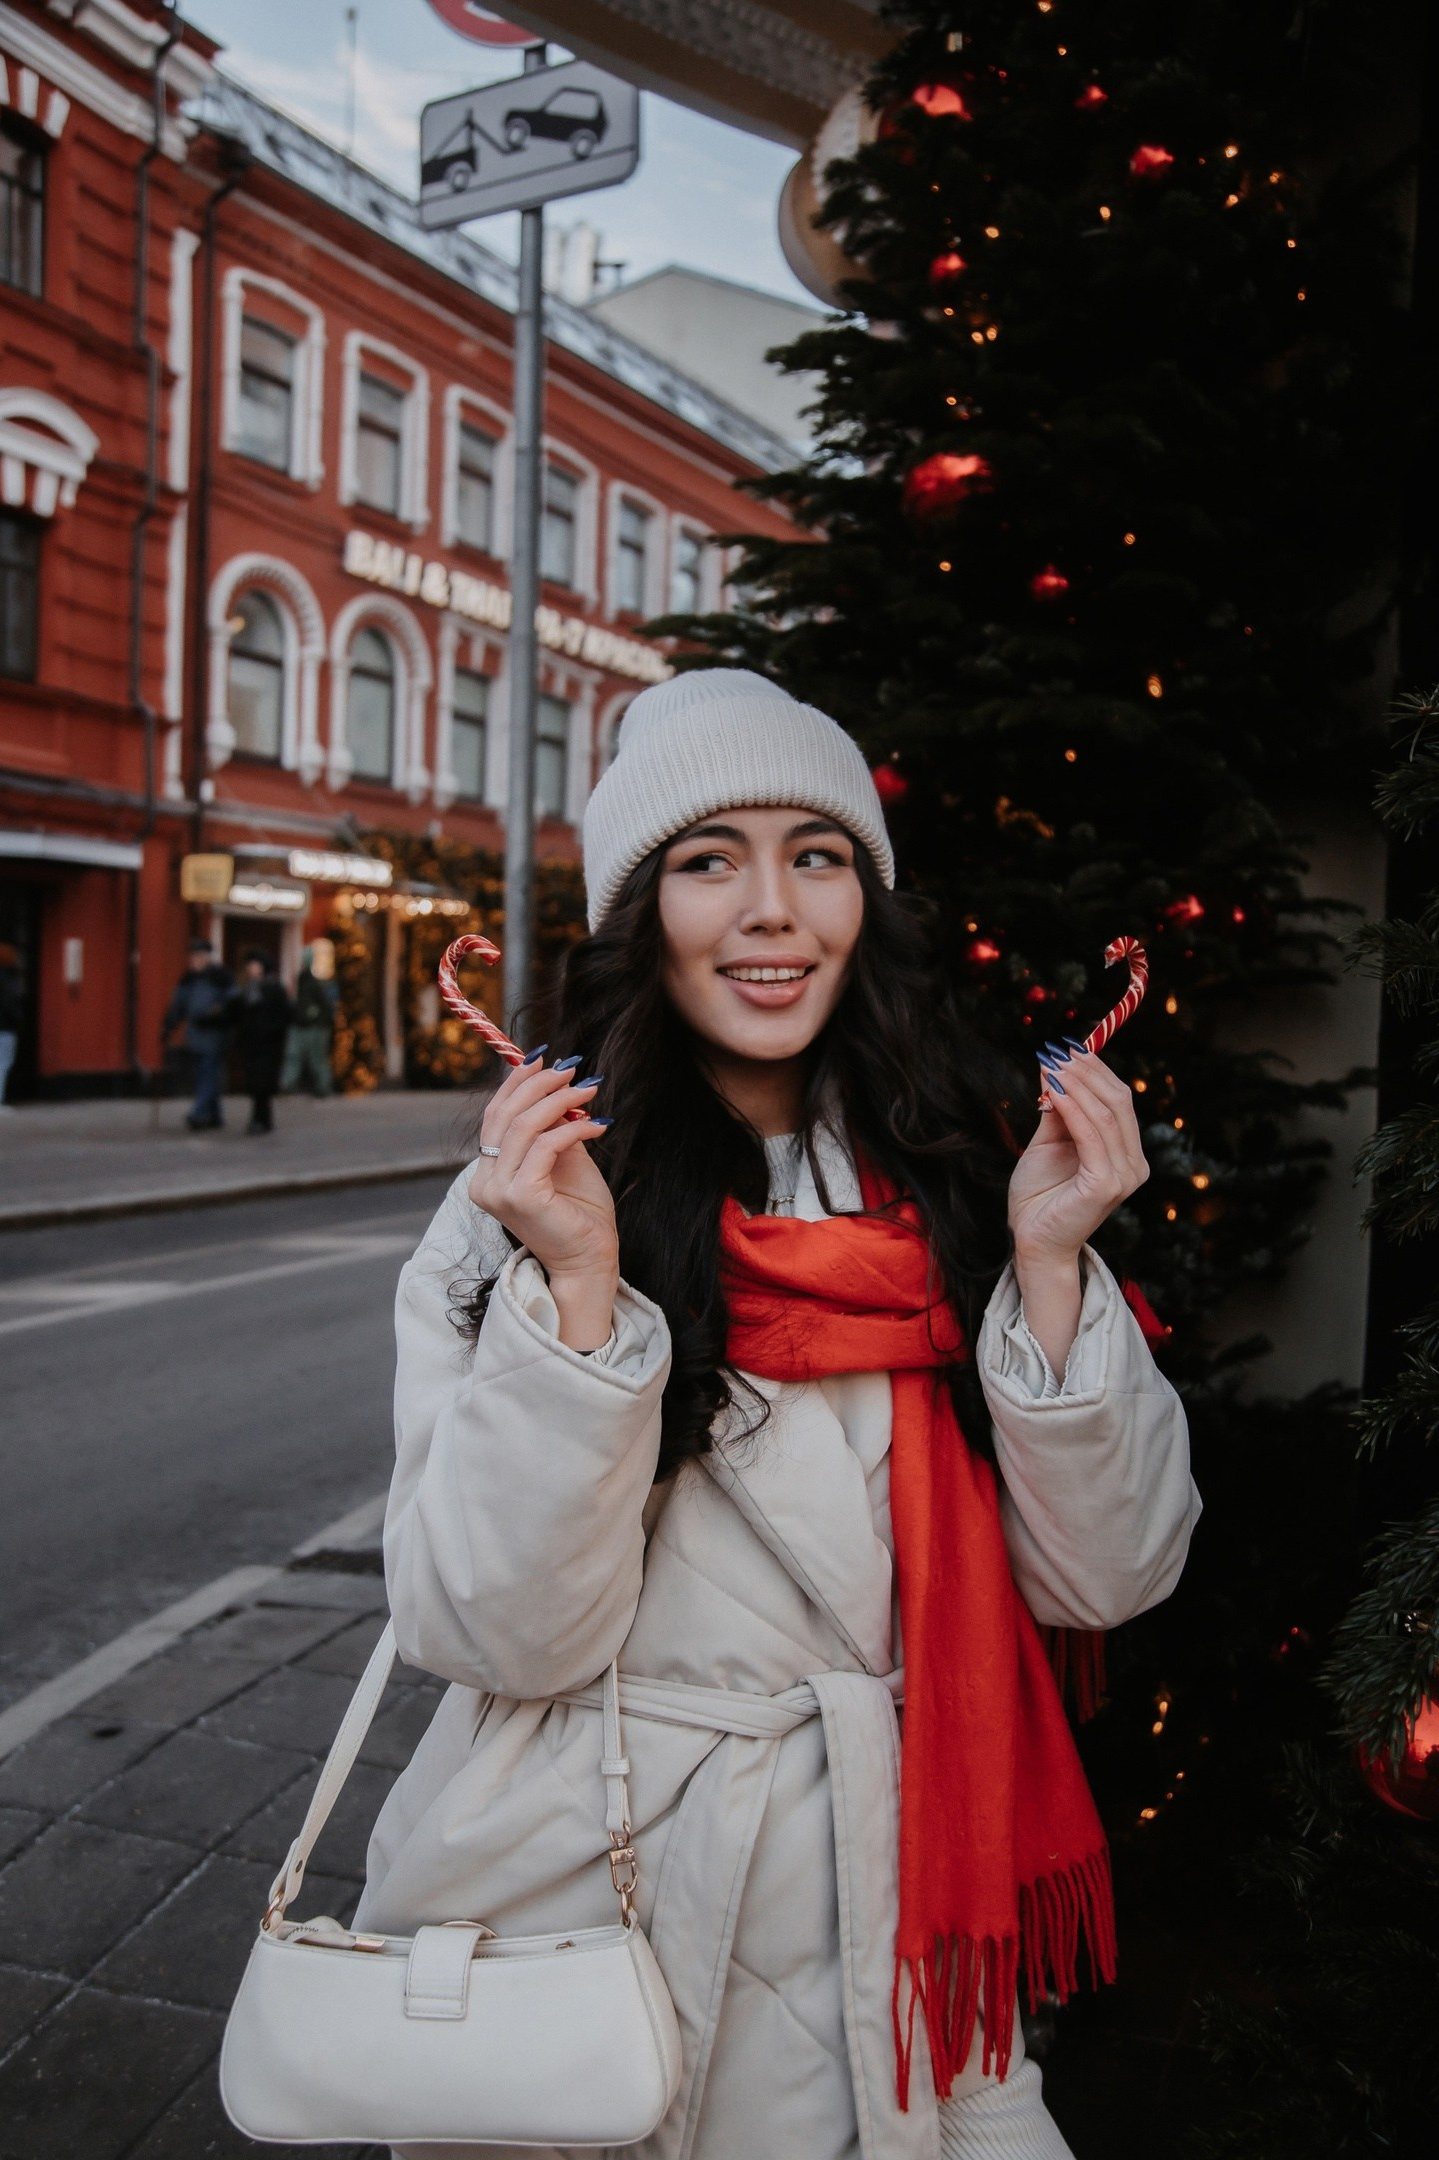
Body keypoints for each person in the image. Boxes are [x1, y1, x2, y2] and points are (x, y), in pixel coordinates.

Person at [358, 671, 1200, 2160]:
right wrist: (579, 1296)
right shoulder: (525, 1207)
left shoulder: (960, 1183)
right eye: (707, 861)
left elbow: (1108, 1580)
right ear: (640, 914)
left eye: (815, 856)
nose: (770, 911)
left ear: (863, 901)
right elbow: (493, 1633)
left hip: (907, 1946)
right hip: (597, 1921)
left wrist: (1050, 1262)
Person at [163, 939, 234, 1130]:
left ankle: (199, 1113)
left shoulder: (221, 977)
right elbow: (178, 1005)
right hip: (195, 1035)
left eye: (200, 956)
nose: (196, 960)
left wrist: (217, 1015)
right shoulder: (188, 979)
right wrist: (168, 1026)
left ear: (208, 957)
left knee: (207, 1073)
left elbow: (232, 1003)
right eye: (194, 956)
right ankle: (215, 1116)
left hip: (215, 1034)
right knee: (205, 1074)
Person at [231, 949, 292, 1134]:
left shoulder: (273, 987)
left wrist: (272, 1030)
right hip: (252, 1043)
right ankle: (259, 1119)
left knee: (262, 1083)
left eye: (254, 965)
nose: (251, 968)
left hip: (268, 1044)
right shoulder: (248, 988)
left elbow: (285, 1014)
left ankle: (261, 1119)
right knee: (255, 1082)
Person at [282, 943, 337, 1097]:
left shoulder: (314, 983)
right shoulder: (301, 981)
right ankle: (289, 1083)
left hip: (313, 1027)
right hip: (300, 1024)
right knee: (294, 1055)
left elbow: (324, 1006)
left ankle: (322, 1086)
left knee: (316, 1058)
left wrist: (316, 1019)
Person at [0, 940, 23, 1110]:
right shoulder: (8, 979)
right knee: (3, 1063)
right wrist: (17, 1018)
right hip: (5, 1027)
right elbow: (10, 1003)